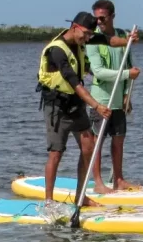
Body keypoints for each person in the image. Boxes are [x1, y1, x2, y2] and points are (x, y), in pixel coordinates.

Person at [37, 12, 137, 203]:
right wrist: (97, 106)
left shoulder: (84, 38)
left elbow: (109, 40)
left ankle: (80, 197)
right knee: (56, 153)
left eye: (90, 35)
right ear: (74, 27)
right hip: (57, 107)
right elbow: (76, 83)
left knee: (88, 147)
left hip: (76, 104)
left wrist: (128, 41)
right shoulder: (57, 50)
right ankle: (48, 201)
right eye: (85, 34)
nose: (87, 39)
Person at [86, 0, 141, 191]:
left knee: (119, 140)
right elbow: (99, 72)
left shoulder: (122, 35)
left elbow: (128, 64)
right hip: (101, 100)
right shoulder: (92, 39)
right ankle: (98, 182)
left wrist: (127, 94)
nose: (99, 22)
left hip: (118, 100)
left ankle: (119, 179)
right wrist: (127, 74)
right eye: (96, 18)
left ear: (112, 17)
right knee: (97, 142)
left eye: (102, 18)